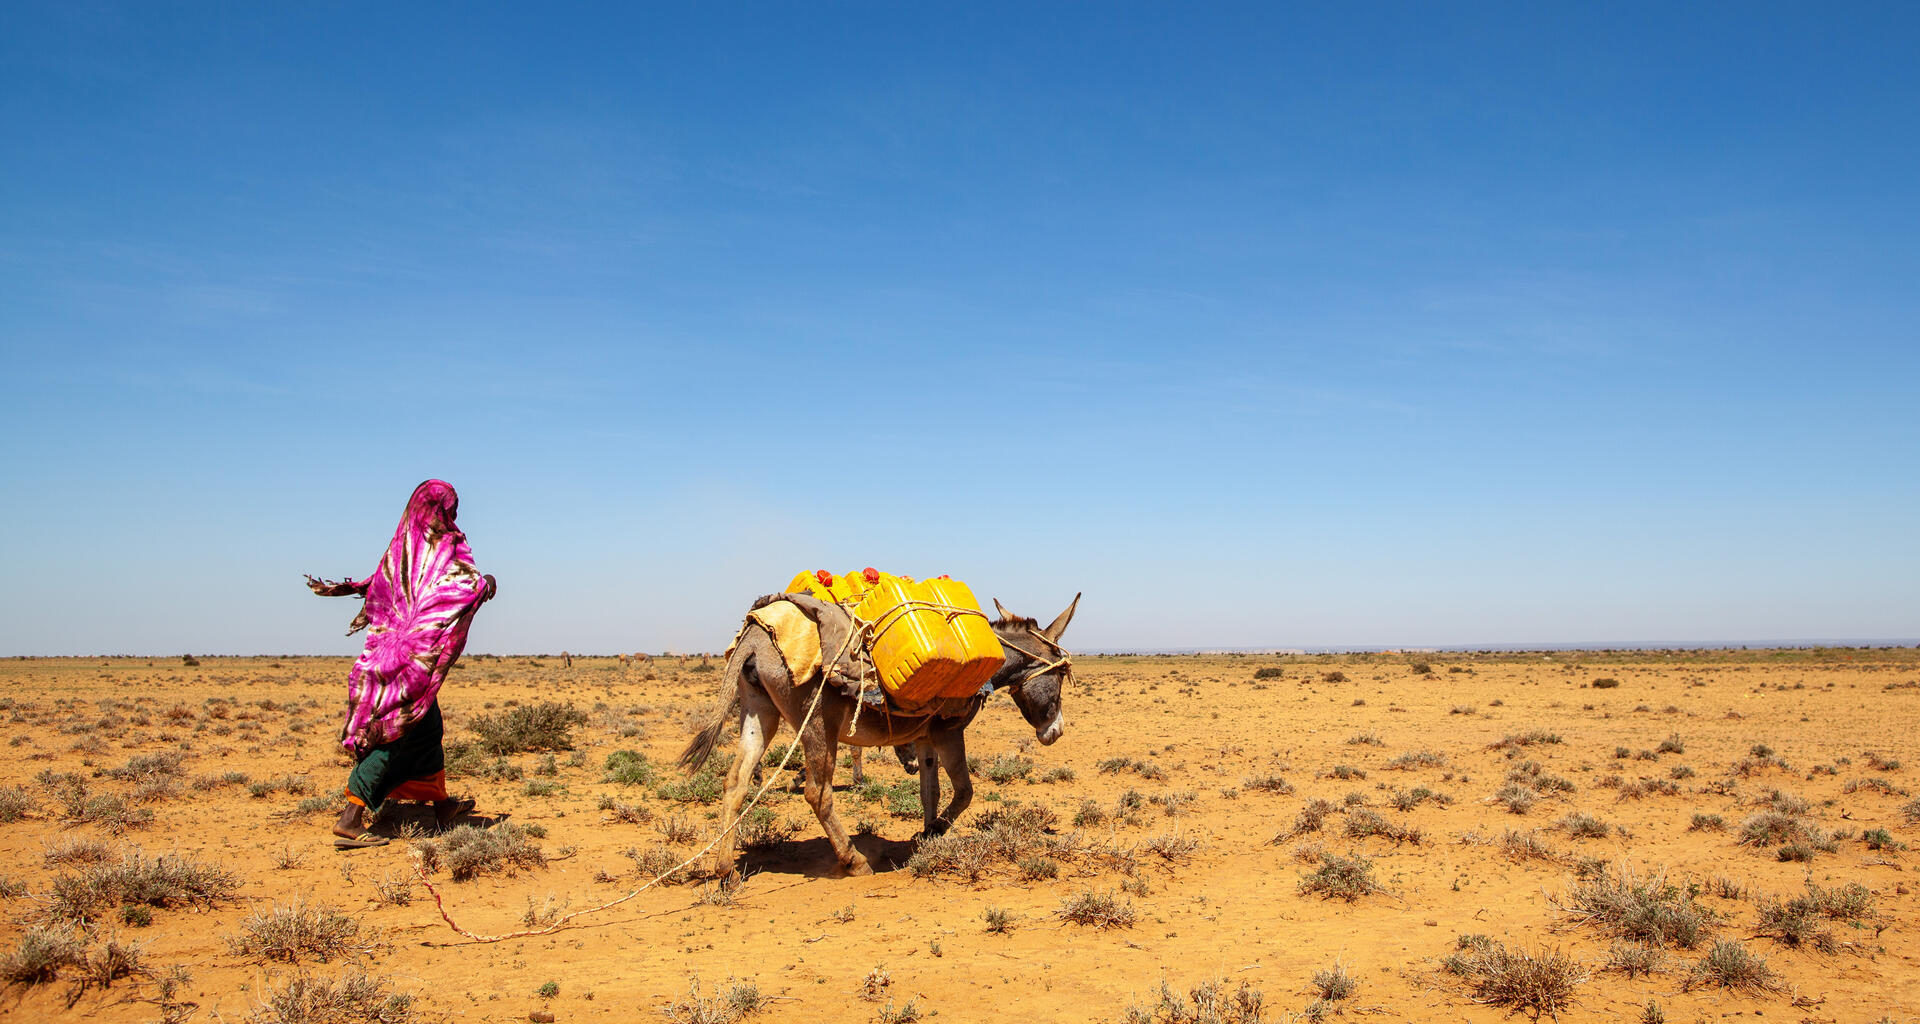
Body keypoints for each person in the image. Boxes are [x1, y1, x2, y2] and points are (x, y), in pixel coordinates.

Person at [306, 480, 497, 848]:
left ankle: (441, 805)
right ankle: (351, 818)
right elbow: (456, 591)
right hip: (412, 663)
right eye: (450, 509)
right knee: (396, 731)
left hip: (386, 657)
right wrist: (485, 583)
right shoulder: (438, 549)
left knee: (427, 727)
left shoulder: (401, 551)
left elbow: (383, 591)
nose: (453, 517)